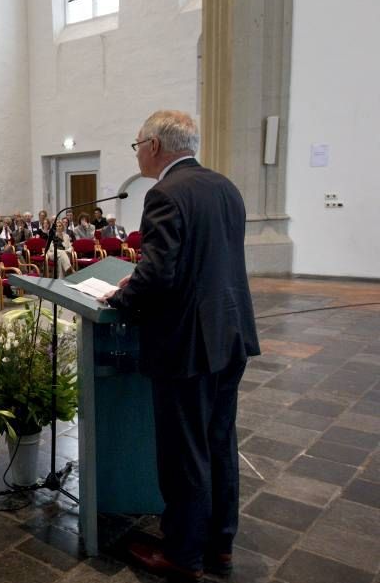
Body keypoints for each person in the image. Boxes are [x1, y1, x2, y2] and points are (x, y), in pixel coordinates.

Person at [100, 110, 260, 580]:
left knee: (184, 451)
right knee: (219, 442)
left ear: (153, 146)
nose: (137, 153)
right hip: (230, 336)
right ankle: (220, 544)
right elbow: (208, 263)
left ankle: (183, 554)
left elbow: (159, 274)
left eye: (136, 145)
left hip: (188, 344)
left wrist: (123, 297)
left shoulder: (165, 193)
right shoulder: (225, 187)